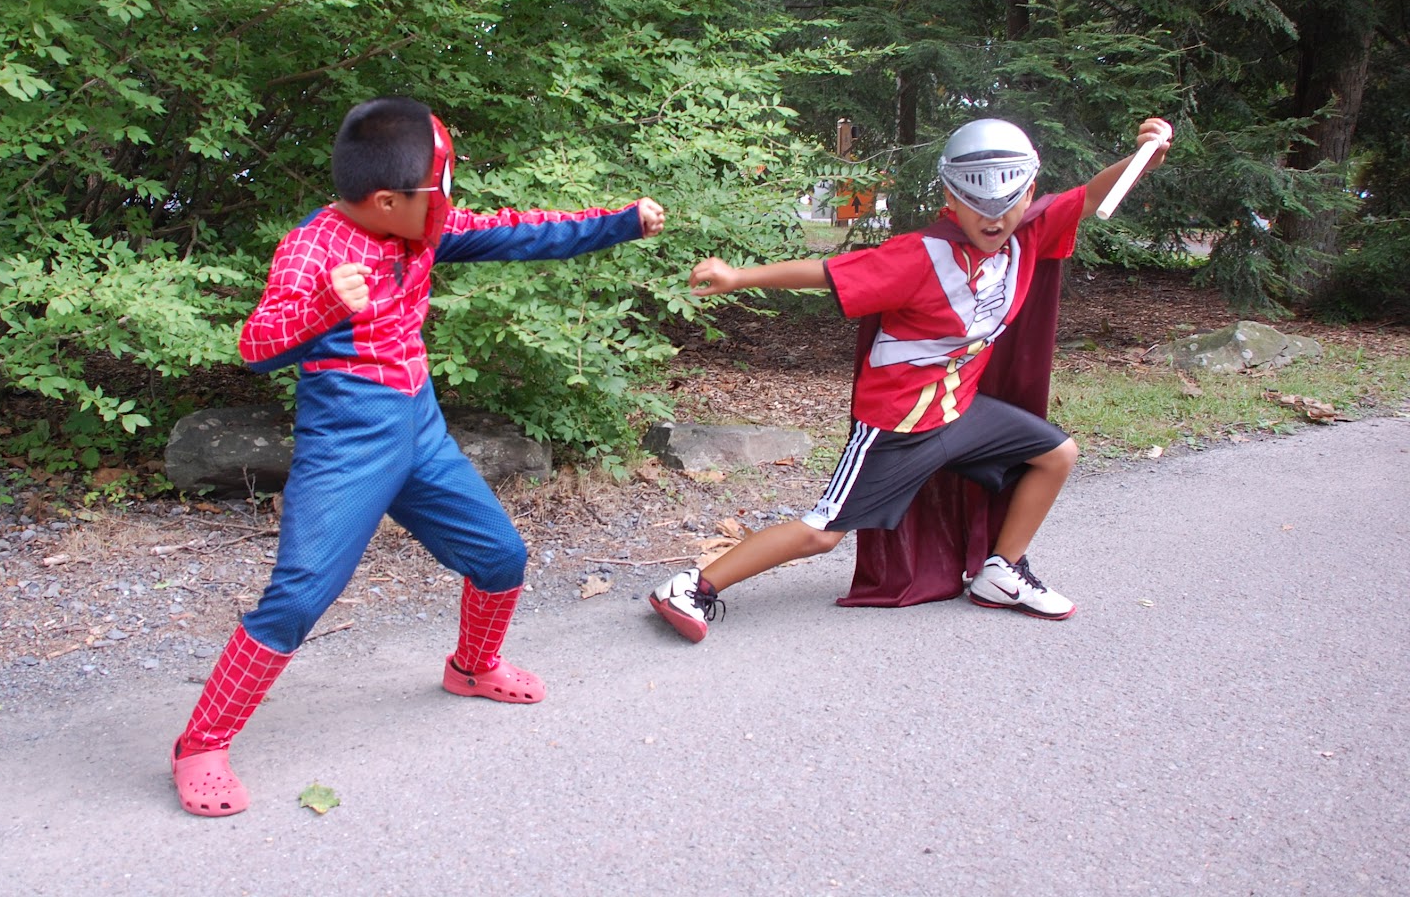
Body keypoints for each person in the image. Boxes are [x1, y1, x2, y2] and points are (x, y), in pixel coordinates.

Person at [172, 96, 666, 816]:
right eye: (439, 192)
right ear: (386, 200)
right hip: (348, 446)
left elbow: (516, 232)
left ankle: (472, 666)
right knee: (299, 597)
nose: (449, 206)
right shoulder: (313, 249)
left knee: (500, 557)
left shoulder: (419, 228)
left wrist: (619, 222)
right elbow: (255, 345)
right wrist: (325, 307)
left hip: (421, 434)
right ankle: (201, 744)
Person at [649, 115, 1173, 642]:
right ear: (950, 197)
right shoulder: (919, 256)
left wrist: (1143, 157)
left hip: (961, 410)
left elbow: (1088, 198)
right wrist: (739, 277)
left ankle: (1001, 572)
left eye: (1007, 205)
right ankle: (691, 586)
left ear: (1028, 193)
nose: (993, 219)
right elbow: (829, 273)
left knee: (1056, 454)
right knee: (823, 533)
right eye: (976, 205)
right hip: (895, 425)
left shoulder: (1028, 234)